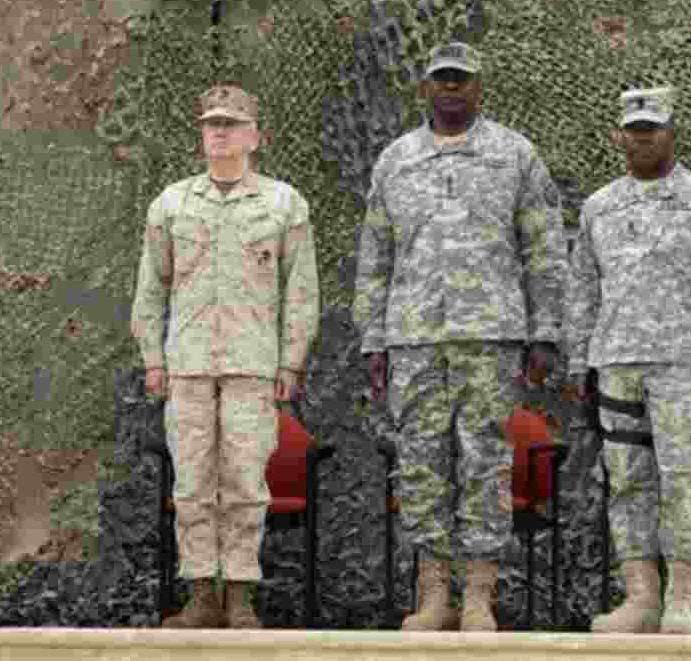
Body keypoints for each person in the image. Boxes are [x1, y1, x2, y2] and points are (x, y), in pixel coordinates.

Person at [353, 41, 566, 632]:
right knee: (420, 462)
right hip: (414, 338)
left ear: (478, 88)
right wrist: (374, 340)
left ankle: (478, 594)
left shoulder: (515, 155)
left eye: (461, 80)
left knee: (486, 461)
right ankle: (434, 594)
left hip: (490, 337)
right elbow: (374, 257)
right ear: (426, 88)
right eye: (441, 80)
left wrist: (545, 330)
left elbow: (544, 247)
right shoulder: (396, 160)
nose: (451, 89)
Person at [564, 86, 691, 634]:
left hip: (685, 368)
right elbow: (582, 290)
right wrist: (580, 363)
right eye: (634, 129)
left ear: (673, 133)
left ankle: (681, 599)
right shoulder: (600, 206)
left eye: (653, 129)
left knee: (682, 480)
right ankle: (640, 597)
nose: (643, 138)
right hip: (617, 364)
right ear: (618, 135)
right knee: (626, 482)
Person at [131, 83, 320, 629]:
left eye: (232, 124)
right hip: (187, 364)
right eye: (212, 124)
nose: (220, 132)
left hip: (251, 364)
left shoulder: (284, 204)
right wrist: (153, 357)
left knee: (243, 482)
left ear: (254, 135)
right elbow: (151, 286)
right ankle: (200, 596)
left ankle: (239, 595)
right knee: (191, 484)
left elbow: (301, 289)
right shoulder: (171, 203)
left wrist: (290, 361)